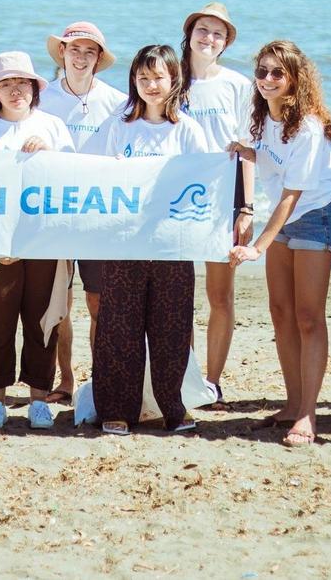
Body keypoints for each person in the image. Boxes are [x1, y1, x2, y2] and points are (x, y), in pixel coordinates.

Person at [228, 41, 331, 449]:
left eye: (277, 73)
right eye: (261, 72)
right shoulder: (262, 116)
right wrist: (245, 150)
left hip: (317, 215)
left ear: (295, 78)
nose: (266, 80)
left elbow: (291, 196)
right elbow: (265, 156)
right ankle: (292, 401)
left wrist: (257, 245)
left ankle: (307, 414)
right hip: (283, 218)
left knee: (308, 316)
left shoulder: (310, 127)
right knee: (280, 312)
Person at [91, 44, 210, 436]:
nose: (151, 84)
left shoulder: (188, 130)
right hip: (123, 244)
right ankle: (116, 409)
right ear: (134, 82)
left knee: (171, 329)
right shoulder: (118, 126)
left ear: (174, 79)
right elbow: (91, 174)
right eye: (143, 77)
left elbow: (208, 184)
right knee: (118, 328)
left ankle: (173, 408)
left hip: (173, 246)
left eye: (158, 77)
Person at [0, 51, 76, 431]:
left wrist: (48, 155)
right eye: (6, 84)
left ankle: (38, 399)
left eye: (22, 83)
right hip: (0, 247)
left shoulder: (54, 127)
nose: (15, 91)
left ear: (34, 88)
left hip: (45, 241)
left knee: (43, 320)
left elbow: (74, 182)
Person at [38, 20, 127, 404]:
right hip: (53, 213)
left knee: (98, 303)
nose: (81, 57)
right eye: (74, 49)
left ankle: (98, 378)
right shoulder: (41, 97)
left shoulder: (117, 101)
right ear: (62, 53)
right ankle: (66, 379)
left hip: (97, 215)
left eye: (90, 51)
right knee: (58, 304)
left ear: (99, 58)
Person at [179, 2, 255, 410]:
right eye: (203, 30)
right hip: (176, 199)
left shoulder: (238, 85)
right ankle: (184, 375)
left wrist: (248, 209)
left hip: (225, 199)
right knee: (179, 294)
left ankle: (212, 380)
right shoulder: (172, 80)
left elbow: (248, 150)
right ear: (189, 33)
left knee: (219, 294)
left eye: (218, 34)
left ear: (226, 43)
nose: (209, 39)